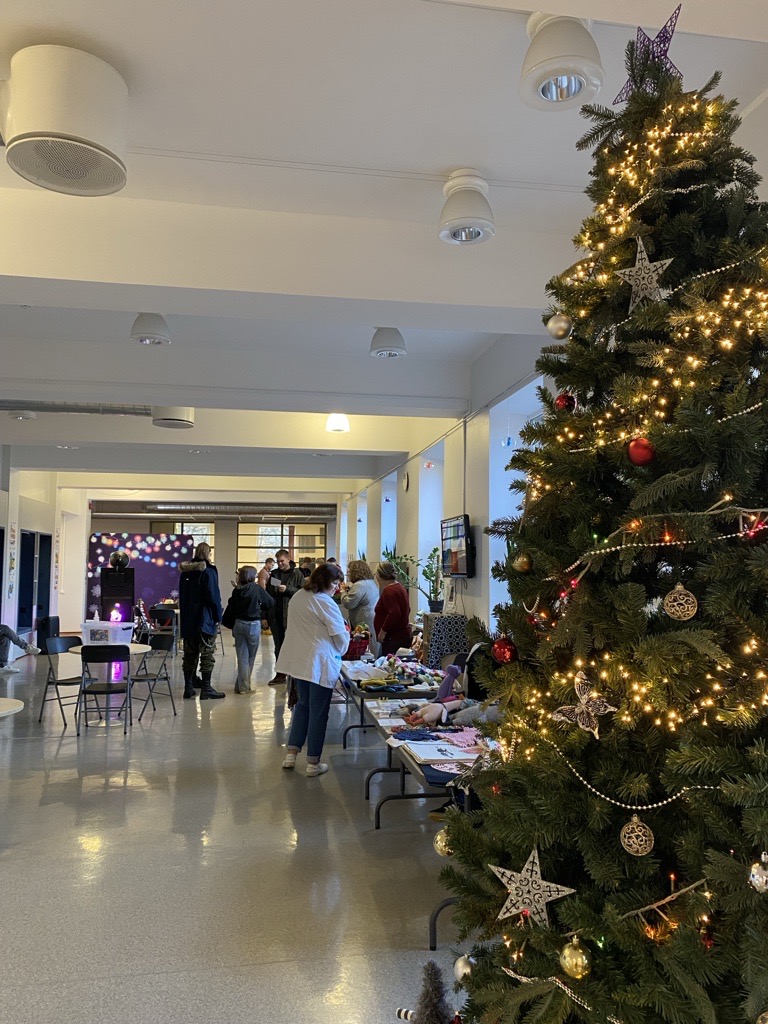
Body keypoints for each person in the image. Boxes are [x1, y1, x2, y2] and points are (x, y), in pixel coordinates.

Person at [277, 562, 349, 776]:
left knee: (303, 706)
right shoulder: (325, 602)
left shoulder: (299, 596)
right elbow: (340, 638)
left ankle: (291, 754)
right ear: (324, 581)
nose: (337, 587)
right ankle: (313, 763)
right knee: (318, 712)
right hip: (320, 663)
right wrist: (344, 645)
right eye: (335, 583)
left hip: (300, 662)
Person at [178, 542, 225, 700]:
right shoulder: (208, 571)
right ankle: (206, 688)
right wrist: (218, 616)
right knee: (207, 654)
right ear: (208, 553)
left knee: (189, 654)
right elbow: (213, 596)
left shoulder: (185, 572)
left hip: (188, 619)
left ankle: (188, 688)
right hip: (205, 619)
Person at [223, 566, 275, 693]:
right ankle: (244, 687)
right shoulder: (256, 588)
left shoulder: (236, 590)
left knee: (242, 657)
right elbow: (270, 601)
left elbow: (232, 607)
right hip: (253, 625)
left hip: (239, 624)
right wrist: (260, 608)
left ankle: (240, 686)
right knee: (250, 658)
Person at [266, 549, 305, 684]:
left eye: (282, 561)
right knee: (278, 646)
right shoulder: (275, 574)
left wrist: (287, 590)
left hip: (292, 616)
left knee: (293, 645)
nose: (280, 564)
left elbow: (303, 593)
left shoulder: (297, 574)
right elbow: (268, 595)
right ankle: (280, 674)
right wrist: (265, 616)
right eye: (278, 562)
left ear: (288, 559)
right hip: (276, 615)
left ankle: (295, 675)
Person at [340, 560, 380, 655]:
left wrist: (343, 592)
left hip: (364, 621)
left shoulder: (359, 585)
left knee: (366, 649)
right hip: (372, 619)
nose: (348, 574)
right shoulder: (370, 582)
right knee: (373, 647)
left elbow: (348, 603)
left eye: (349, 572)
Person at [373, 561, 412, 656]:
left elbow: (394, 613)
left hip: (393, 638)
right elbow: (408, 609)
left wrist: (382, 632)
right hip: (401, 636)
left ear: (380, 576)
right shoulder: (400, 587)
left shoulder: (389, 591)